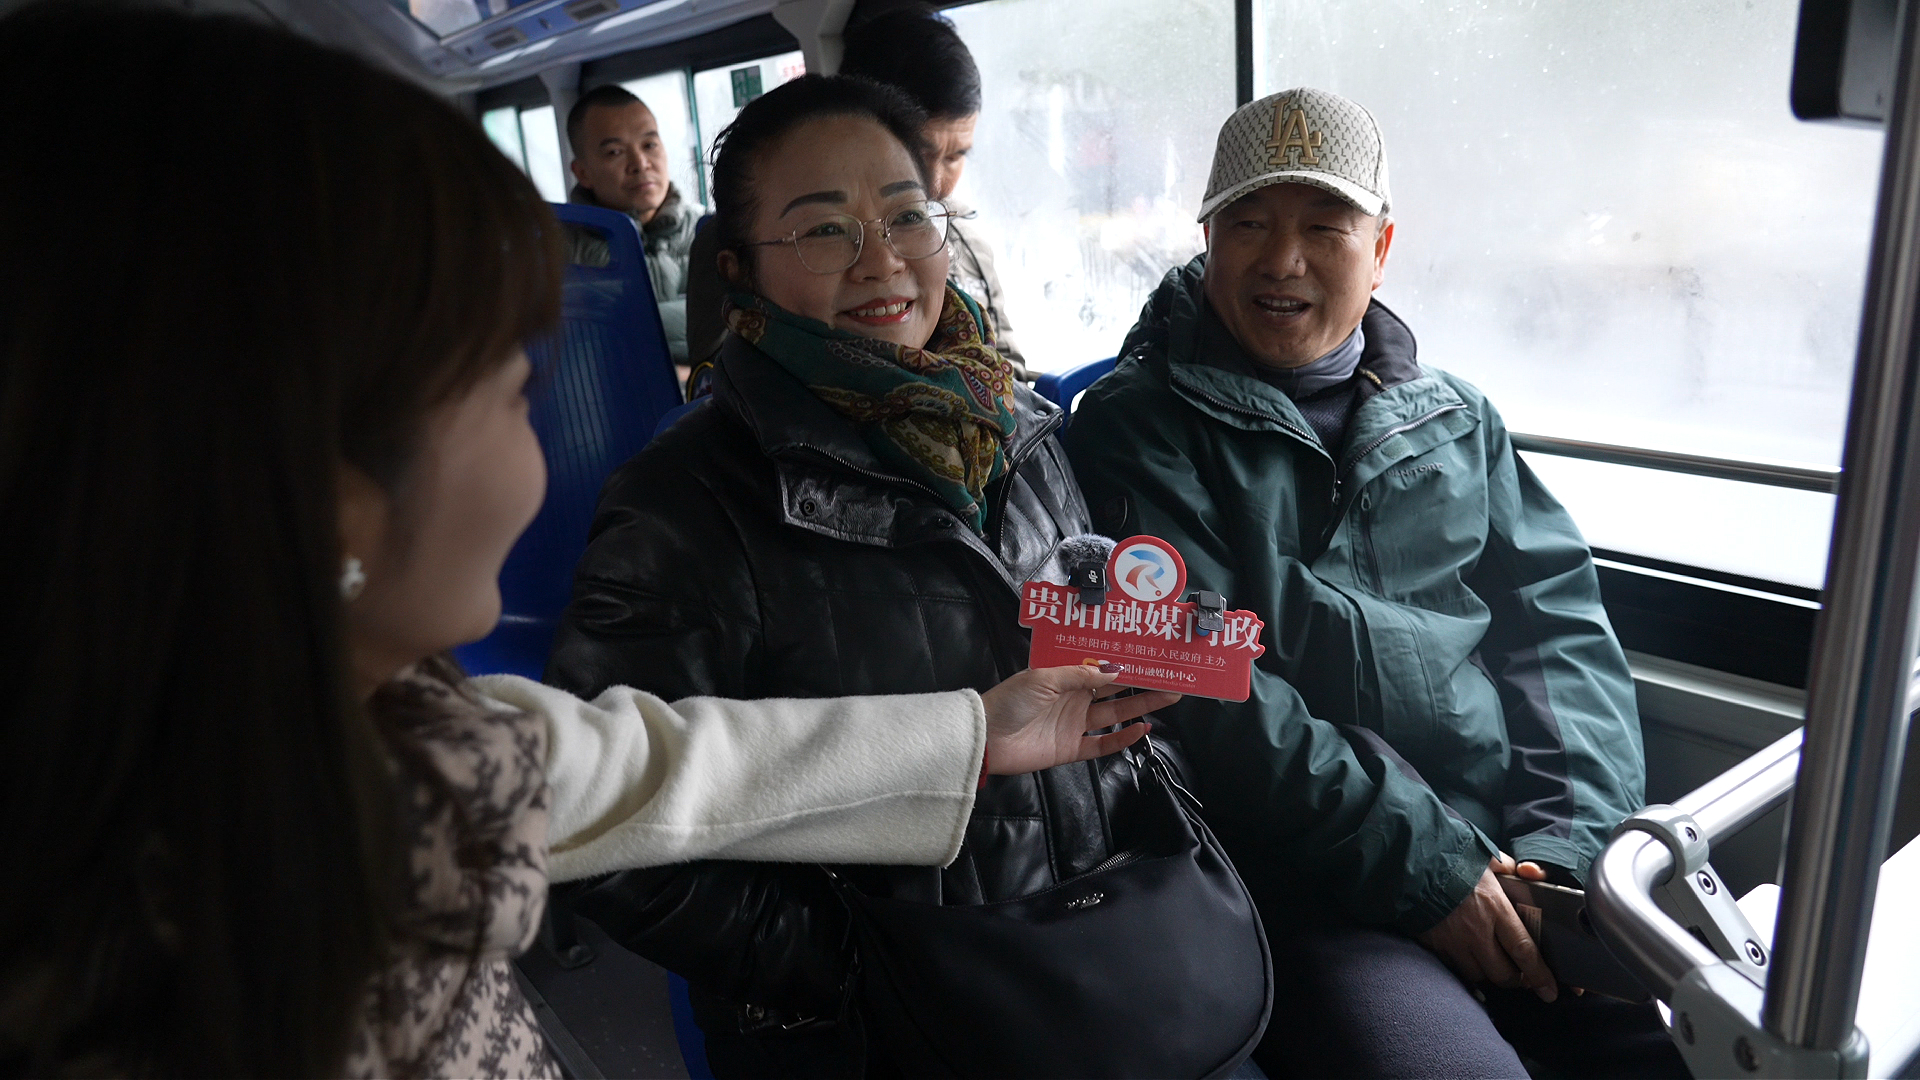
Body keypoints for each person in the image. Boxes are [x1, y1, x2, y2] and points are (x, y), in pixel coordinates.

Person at [0, 9, 1164, 1077]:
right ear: (295, 477)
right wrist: (872, 965)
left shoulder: (410, 743)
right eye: (505, 385)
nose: (540, 444)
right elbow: (657, 834)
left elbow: (666, 764)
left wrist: (980, 734)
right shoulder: (211, 988)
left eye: (910, 212)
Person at [545, 75, 1246, 1078]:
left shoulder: (1019, 429)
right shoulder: (681, 503)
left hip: (1102, 953)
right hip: (887, 1015)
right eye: (823, 230)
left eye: (908, 215)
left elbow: (1091, 674)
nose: (881, 260)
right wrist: (848, 969)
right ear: (740, 269)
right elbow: (602, 826)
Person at [1067, 87, 1677, 1078]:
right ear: (1208, 241)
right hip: (1308, 876)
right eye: (1249, 225)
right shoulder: (1135, 426)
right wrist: (1427, 868)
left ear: (1382, 248)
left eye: (1324, 226)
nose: (1283, 260)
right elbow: (1203, 684)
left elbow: (1560, 638)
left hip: (1512, 851)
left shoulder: (1457, 422)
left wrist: (1568, 854)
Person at [837, 1, 1031, 379]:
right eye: (921, 155)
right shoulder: (820, 259)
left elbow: (1010, 370)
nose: (938, 184)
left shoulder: (969, 246)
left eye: (956, 156)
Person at [565, 83, 700, 374]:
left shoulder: (709, 232)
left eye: (649, 145)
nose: (640, 163)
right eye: (615, 152)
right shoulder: (558, 255)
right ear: (583, 173)